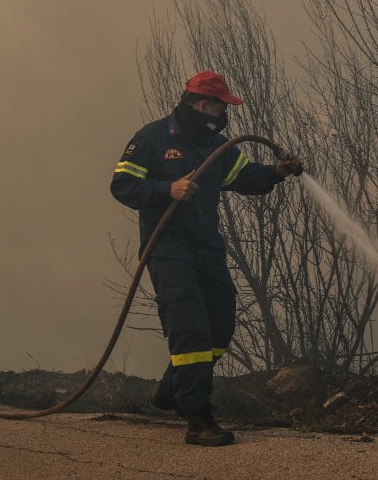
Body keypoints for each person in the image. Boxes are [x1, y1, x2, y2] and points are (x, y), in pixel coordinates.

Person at [110, 70, 303, 446]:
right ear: (202, 105)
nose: (224, 112)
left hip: (207, 247)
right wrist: (169, 188)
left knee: (220, 326)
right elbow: (122, 185)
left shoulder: (217, 148)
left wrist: (276, 173)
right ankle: (198, 419)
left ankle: (172, 390)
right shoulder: (151, 139)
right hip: (168, 248)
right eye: (220, 105)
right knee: (191, 327)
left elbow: (244, 178)